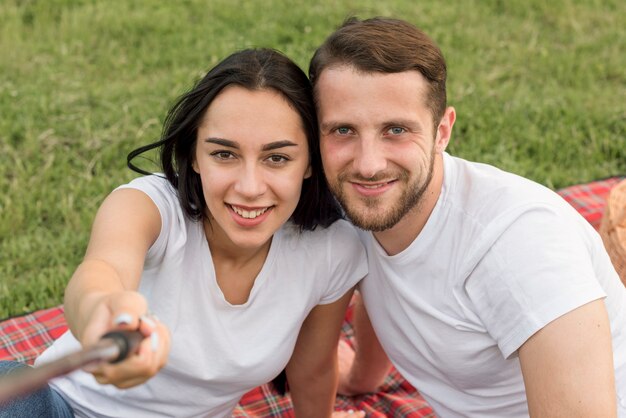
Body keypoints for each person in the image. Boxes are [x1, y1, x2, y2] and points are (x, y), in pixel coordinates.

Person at [0, 48, 367, 417]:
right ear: (194, 155)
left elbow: (313, 371)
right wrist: (104, 318)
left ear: (308, 163)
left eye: (277, 158)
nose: (250, 187)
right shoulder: (149, 207)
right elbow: (102, 272)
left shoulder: (332, 250)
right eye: (224, 154)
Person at [309, 17, 626, 417]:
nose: (368, 164)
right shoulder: (355, 204)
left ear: (443, 131)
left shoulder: (520, 244)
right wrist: (359, 379)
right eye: (342, 130)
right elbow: (377, 279)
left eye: (395, 130)